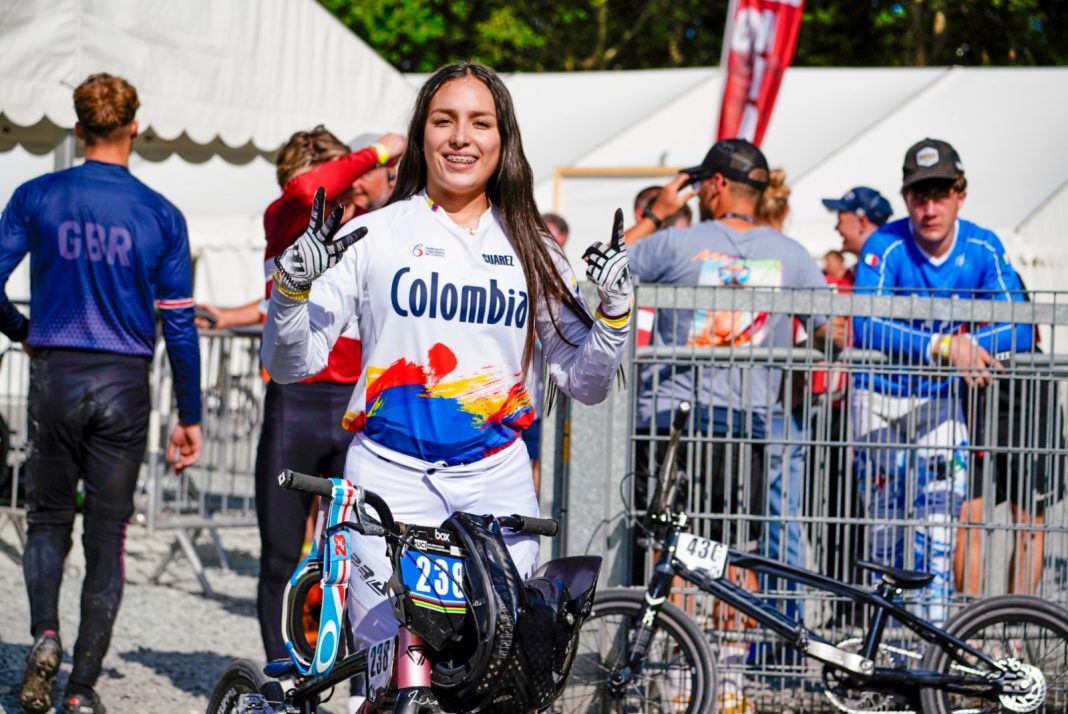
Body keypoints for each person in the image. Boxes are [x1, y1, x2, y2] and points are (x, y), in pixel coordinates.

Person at [260, 62, 631, 706]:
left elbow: (585, 379)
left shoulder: (535, 247)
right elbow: (294, 360)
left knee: (493, 683)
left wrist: (616, 317)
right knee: (394, 680)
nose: (461, 138)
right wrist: (290, 292)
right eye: (444, 121)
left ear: (503, 139)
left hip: (495, 486)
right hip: (387, 482)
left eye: (479, 123)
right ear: (422, 134)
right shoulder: (374, 233)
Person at [0, 73, 203, 714]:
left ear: (78, 127)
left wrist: (24, 332)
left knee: (48, 521)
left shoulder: (37, 195)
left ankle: (45, 635)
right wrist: (191, 415)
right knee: (107, 536)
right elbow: (178, 324)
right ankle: (83, 689)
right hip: (124, 382)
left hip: (56, 374)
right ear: (135, 127)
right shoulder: (161, 213)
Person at [624, 139, 835, 713]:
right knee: (729, 553)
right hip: (745, 424)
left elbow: (604, 267)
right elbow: (835, 330)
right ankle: (730, 679)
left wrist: (655, 215)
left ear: (713, 186)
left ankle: (674, 671)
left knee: (665, 547)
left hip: (670, 421)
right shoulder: (790, 254)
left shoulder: (676, 241)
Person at [851, 138, 1031, 625]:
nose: (929, 207)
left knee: (939, 527)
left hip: (938, 404)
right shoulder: (884, 244)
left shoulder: (981, 244)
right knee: (884, 528)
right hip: (878, 399)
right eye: (918, 195)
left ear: (960, 193)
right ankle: (879, 639)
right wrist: (947, 347)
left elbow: (1020, 325)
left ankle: (933, 642)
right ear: (905, 197)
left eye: (941, 193)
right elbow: (862, 324)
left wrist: (971, 344)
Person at [251, 127, 404, 670]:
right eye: (345, 172)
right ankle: (282, 684)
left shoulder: (365, 226)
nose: (354, 185)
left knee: (361, 558)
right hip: (297, 403)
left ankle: (364, 680)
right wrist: (380, 149)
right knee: (278, 556)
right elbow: (309, 187)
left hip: (353, 409)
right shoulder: (289, 212)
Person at [821, 185, 893, 259]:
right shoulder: (887, 260)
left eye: (840, 220)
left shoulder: (890, 264)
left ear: (862, 223)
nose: (836, 228)